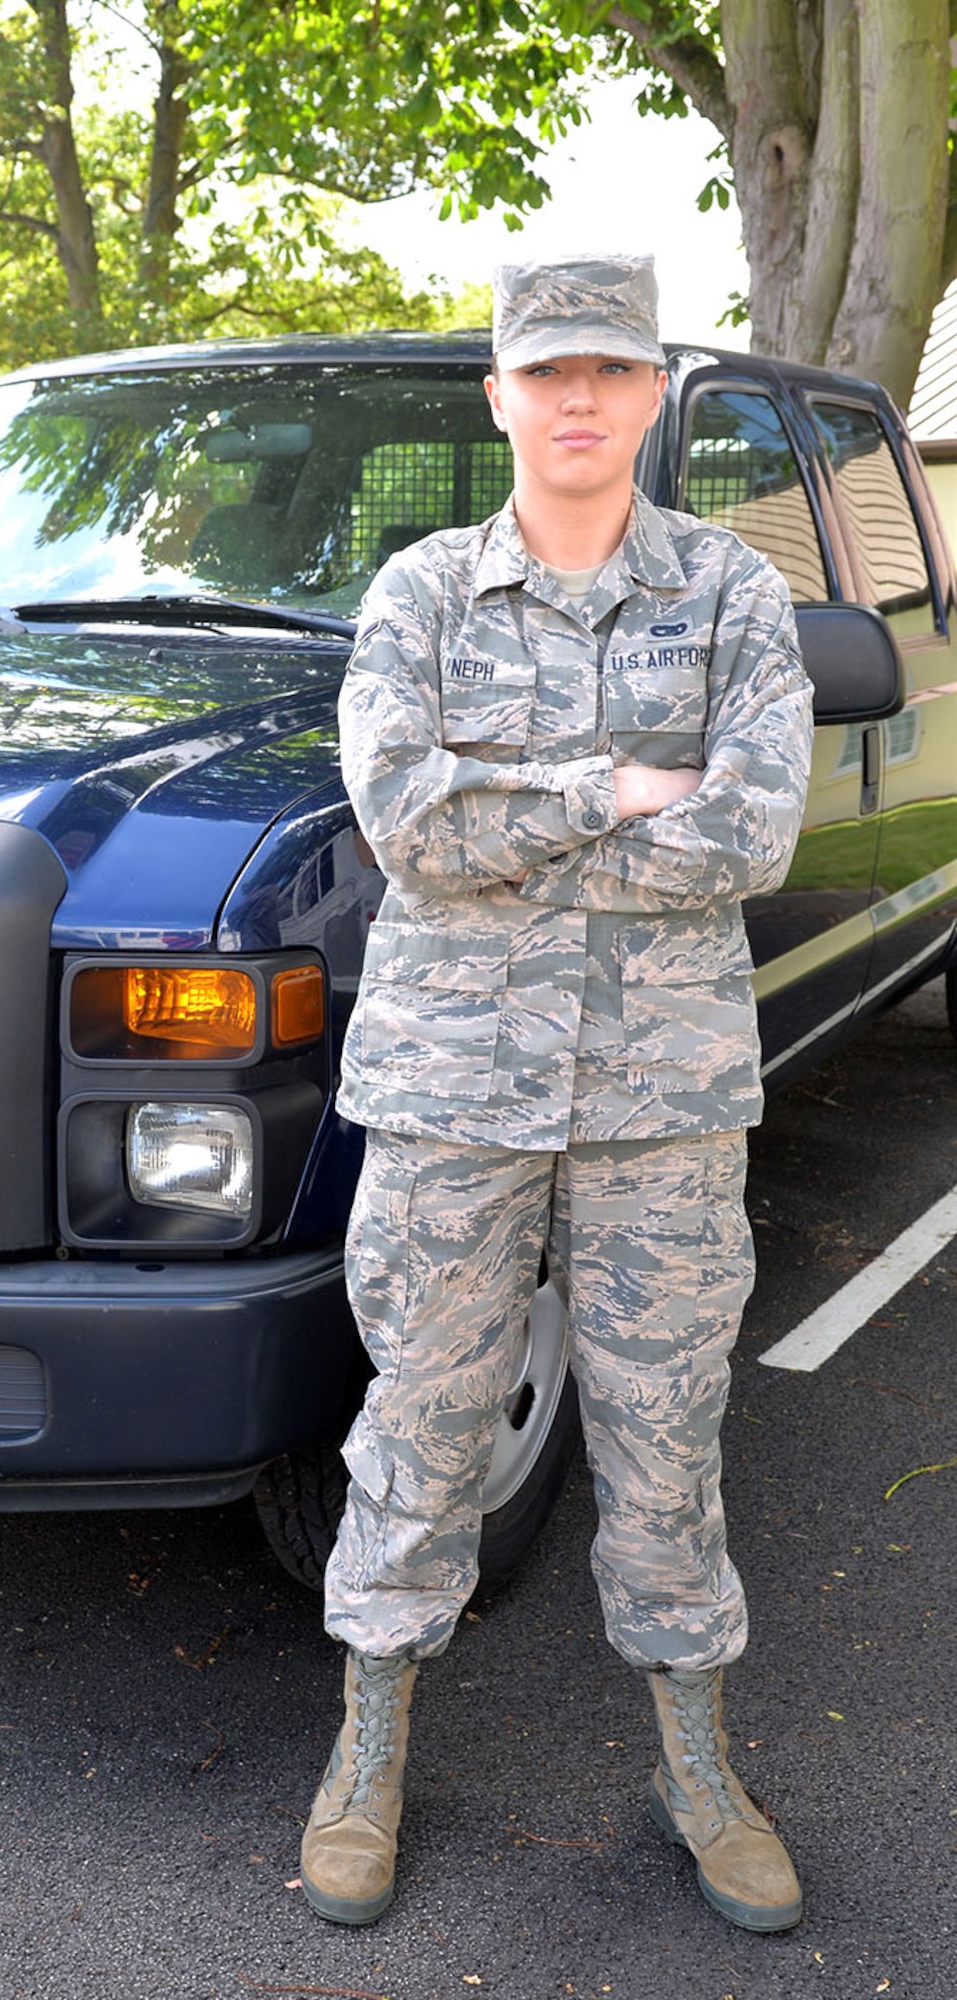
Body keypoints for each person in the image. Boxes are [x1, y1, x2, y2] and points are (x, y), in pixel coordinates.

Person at [300, 254, 815, 1933]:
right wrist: (614, 786)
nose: (579, 397)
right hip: (455, 1099)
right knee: (420, 1431)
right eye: (548, 370)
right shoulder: (423, 594)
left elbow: (753, 833)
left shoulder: (734, 593)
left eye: (610, 367)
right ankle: (367, 1750)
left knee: (670, 1443)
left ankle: (696, 1765)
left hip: (664, 1103)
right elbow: (404, 826)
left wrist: (512, 816)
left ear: (655, 390)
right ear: (501, 396)